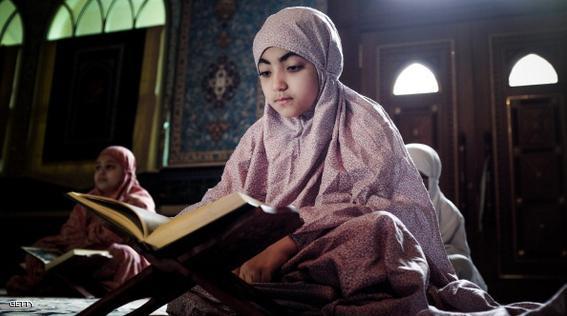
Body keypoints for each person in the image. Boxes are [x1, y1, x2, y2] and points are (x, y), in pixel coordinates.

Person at [167, 6, 565, 315]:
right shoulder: (258, 137)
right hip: (260, 259)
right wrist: (169, 232)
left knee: (378, 230)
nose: (278, 84)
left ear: (323, 64)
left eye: (293, 66)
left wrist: (290, 240)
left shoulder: (363, 120)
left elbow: (386, 210)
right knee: (187, 287)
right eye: (265, 72)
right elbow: (223, 196)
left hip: (323, 254)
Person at [6, 145, 155, 296]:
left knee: (125, 253)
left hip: (112, 257)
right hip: (83, 252)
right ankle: (65, 286)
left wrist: (91, 239)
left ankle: (108, 293)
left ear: (127, 171)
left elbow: (128, 235)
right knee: (42, 245)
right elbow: (69, 232)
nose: (101, 172)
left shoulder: (138, 200)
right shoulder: (88, 200)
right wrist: (83, 242)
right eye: (98, 167)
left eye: (110, 167)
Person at [406, 143, 488, 290]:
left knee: (460, 264)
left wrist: (430, 257)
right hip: (405, 267)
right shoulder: (388, 204)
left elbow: (460, 253)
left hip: (440, 270)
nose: (414, 183)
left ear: (433, 180)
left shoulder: (450, 214)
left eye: (421, 177)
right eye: (407, 175)